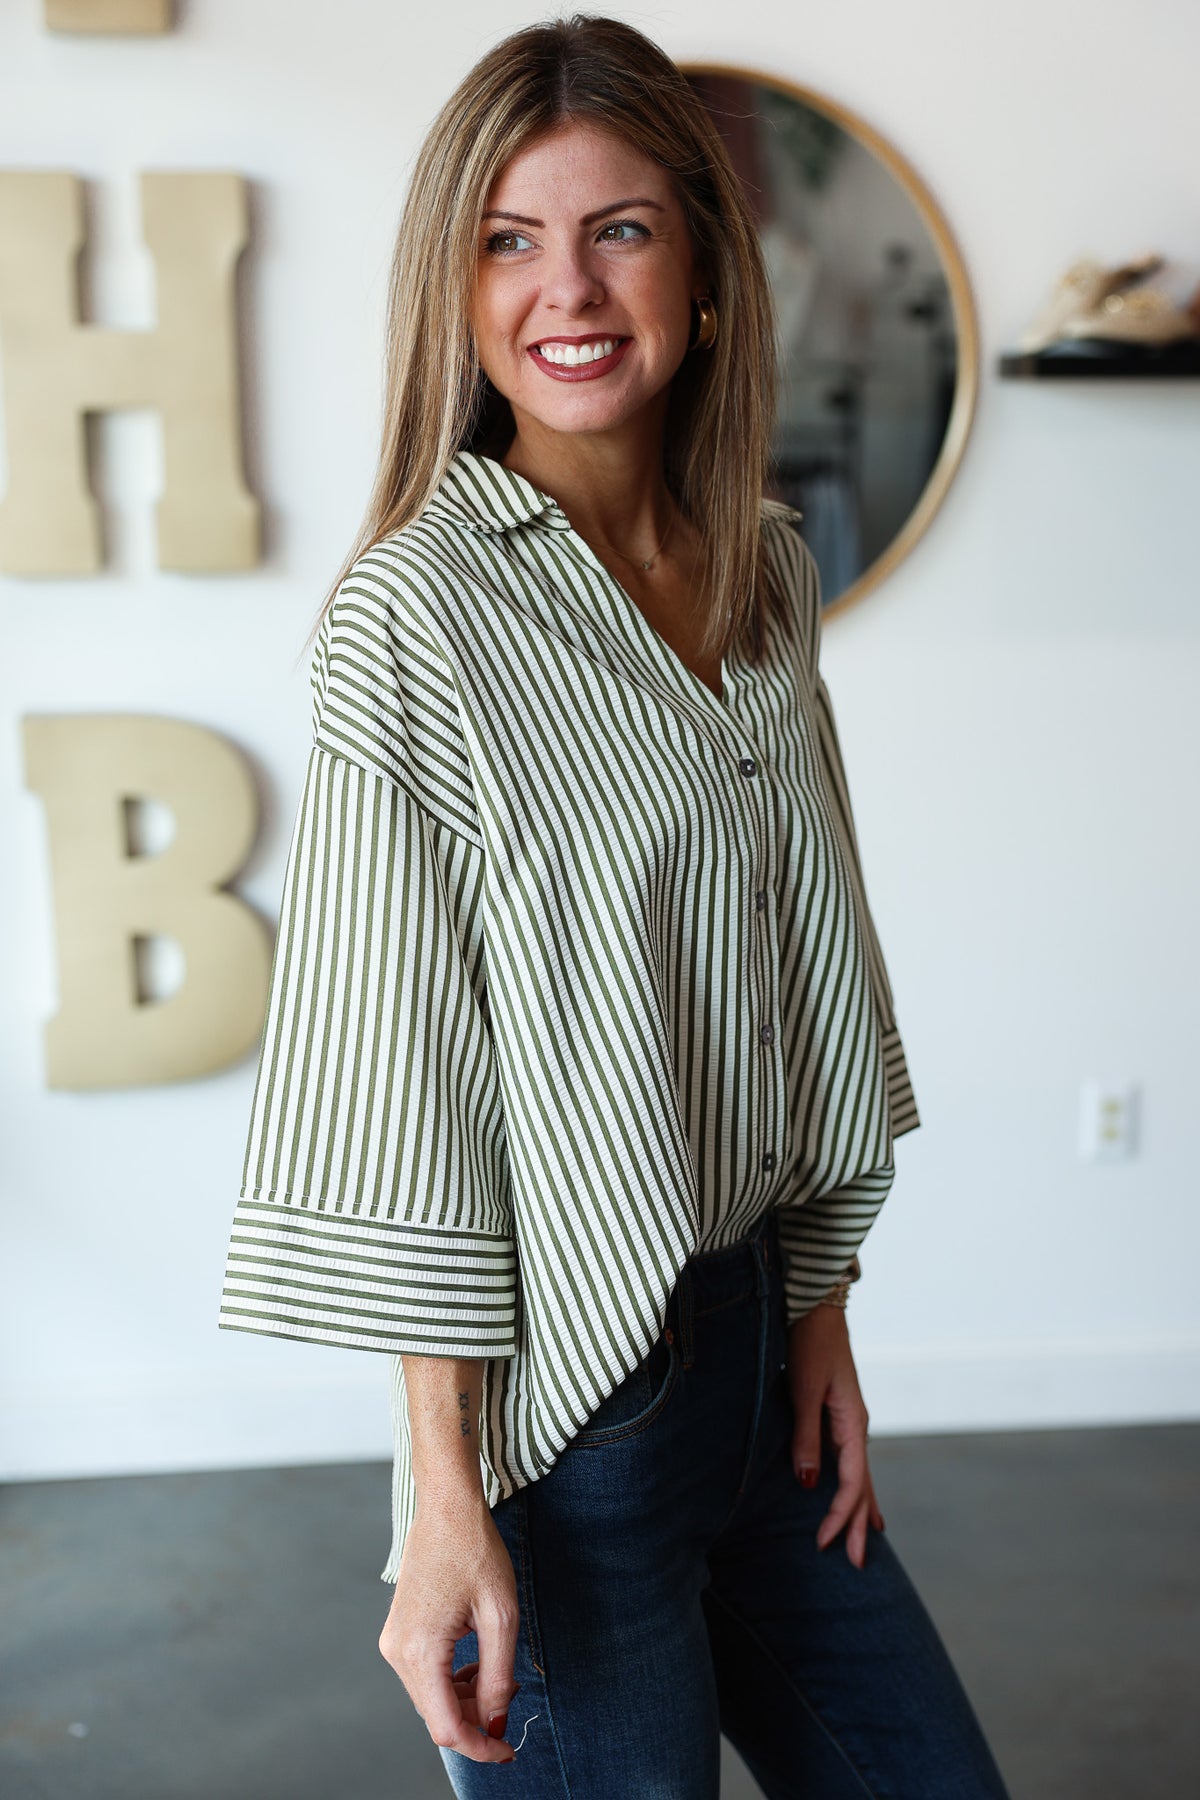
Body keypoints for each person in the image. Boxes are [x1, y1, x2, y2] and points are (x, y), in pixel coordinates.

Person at [218, 14, 1011, 1798]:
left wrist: (820, 1313)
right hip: (571, 1416)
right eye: (509, 239)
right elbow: (400, 1072)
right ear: (454, 288)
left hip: (760, 1359)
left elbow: (808, 960)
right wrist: (443, 1494)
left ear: (705, 270)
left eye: (621, 229)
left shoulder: (766, 570)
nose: (566, 288)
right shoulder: (416, 617)